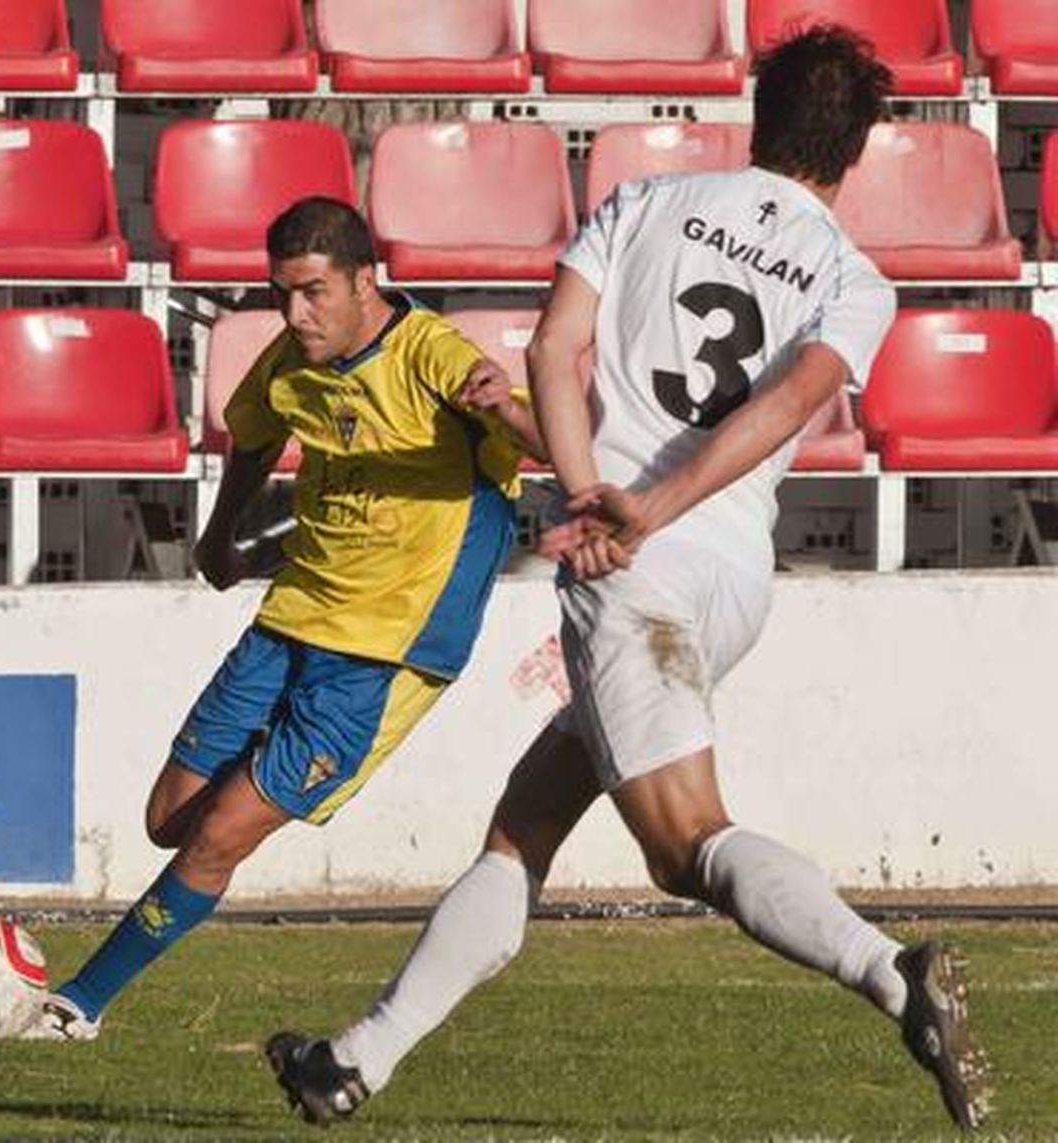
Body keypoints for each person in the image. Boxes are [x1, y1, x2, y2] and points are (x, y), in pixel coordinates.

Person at [267, 25, 991, 1131]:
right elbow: (789, 405)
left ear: (758, 112)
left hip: (633, 568)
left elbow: (552, 351)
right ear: (851, 153)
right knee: (525, 824)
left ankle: (892, 973)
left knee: (685, 844)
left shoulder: (644, 205)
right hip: (732, 574)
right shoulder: (856, 280)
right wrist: (654, 506)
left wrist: (600, 493)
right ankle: (352, 1061)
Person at [20, 195, 544, 1040]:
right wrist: (222, 533)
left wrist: (512, 409)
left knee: (220, 834)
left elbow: (553, 446)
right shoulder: (293, 358)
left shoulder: (434, 358)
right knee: (170, 821)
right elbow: (259, 433)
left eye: (312, 292)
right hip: (292, 616)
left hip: (386, 651)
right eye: (280, 294)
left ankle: (78, 1004)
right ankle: (159, 916)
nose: (296, 314)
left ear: (364, 281)